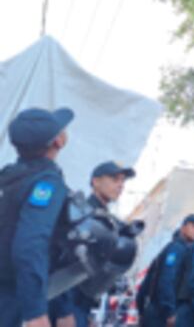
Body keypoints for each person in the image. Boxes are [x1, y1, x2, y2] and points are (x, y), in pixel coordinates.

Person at [0, 107, 75, 327]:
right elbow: (30, 245)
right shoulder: (46, 183)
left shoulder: (9, 178)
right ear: (58, 141)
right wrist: (35, 312)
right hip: (11, 297)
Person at [69, 161, 137, 327]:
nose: (120, 185)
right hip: (67, 303)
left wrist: (89, 314)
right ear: (95, 181)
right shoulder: (80, 213)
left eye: (122, 181)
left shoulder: (108, 221)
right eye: (115, 179)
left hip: (84, 304)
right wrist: (65, 311)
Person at [137, 215, 194, 327]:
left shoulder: (180, 249)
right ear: (183, 228)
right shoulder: (176, 249)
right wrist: (170, 312)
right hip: (160, 314)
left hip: (158, 311)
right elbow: (167, 280)